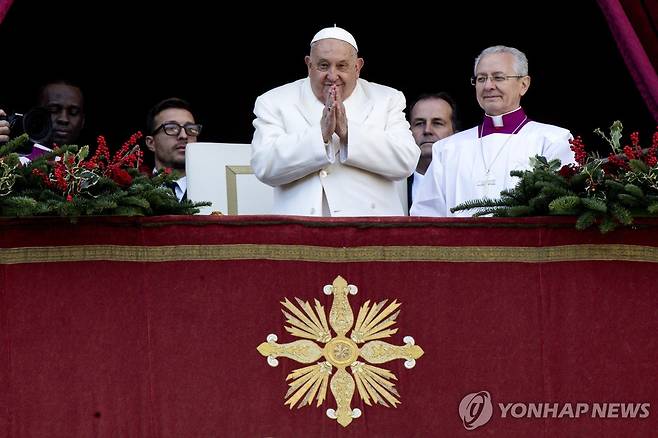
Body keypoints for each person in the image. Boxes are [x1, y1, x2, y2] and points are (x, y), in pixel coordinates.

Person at [250, 26, 419, 216]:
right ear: (309, 65)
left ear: (357, 67)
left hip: (372, 228)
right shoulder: (275, 101)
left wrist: (348, 134)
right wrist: (320, 135)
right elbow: (264, 166)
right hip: (302, 230)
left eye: (342, 66)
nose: (332, 75)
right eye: (323, 65)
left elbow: (406, 161)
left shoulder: (387, 99)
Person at [410, 45, 575, 217]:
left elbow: (563, 210)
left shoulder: (553, 141)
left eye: (498, 77)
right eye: (481, 79)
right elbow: (426, 216)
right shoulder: (447, 149)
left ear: (524, 85)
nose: (488, 86)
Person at [144, 97, 202, 202]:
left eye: (191, 129)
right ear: (151, 143)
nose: (184, 136)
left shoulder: (217, 189)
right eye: (171, 128)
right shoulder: (129, 192)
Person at [407, 92, 458, 207]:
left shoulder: (467, 182)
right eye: (419, 123)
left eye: (437, 123)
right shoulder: (392, 184)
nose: (427, 130)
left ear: (456, 135)